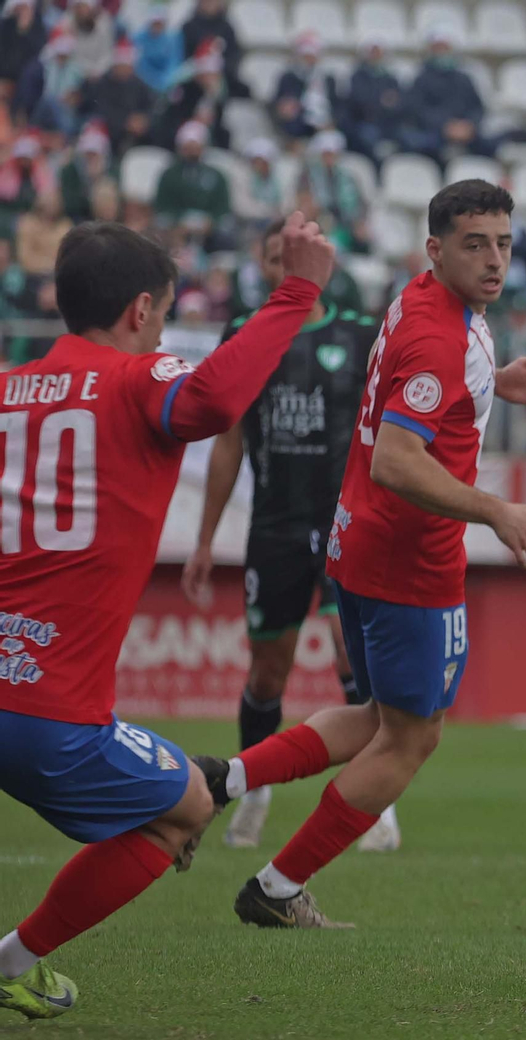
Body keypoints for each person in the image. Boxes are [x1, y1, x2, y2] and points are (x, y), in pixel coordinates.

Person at [0, 212, 335, 1021]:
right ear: (142, 311)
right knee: (184, 808)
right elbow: (215, 399)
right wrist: (297, 291)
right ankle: (12, 963)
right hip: (45, 710)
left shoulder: (10, 388)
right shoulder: (135, 378)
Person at [216, 180, 526, 928]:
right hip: (411, 558)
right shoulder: (440, 333)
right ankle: (276, 889)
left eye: (504, 243)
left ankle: (227, 779)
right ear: (436, 249)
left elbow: (413, 394)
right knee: (412, 737)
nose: (495, 260)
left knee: (376, 715)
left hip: (362, 543)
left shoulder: (424, 298)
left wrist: (491, 385)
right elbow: (398, 461)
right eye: (475, 245)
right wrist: (496, 510)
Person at [180, 219, 389, 852]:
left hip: (342, 524)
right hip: (273, 526)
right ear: (265, 267)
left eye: (294, 257)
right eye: (274, 258)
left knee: (349, 652)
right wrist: (205, 539)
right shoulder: (245, 335)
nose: (284, 267)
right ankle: (253, 789)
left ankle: (374, 800)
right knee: (269, 670)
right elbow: (229, 444)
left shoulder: (358, 335)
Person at [404, 26, 488, 163]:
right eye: (438, 47)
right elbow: (418, 110)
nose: (442, 51)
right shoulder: (421, 79)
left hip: (466, 133)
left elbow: (477, 107)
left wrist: (469, 125)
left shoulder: (464, 79)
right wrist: (446, 126)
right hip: (435, 133)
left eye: (445, 47)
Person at [153, 121, 232, 248]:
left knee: (226, 233)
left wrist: (211, 222)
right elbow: (162, 206)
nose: (192, 152)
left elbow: (223, 208)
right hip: (176, 225)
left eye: (196, 147)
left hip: (209, 227)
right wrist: (179, 224)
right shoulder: (169, 175)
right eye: (188, 148)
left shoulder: (216, 176)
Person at [299, 130, 369, 253]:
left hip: (346, 224)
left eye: (332, 154)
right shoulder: (307, 176)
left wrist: (360, 222)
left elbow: (361, 204)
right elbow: (303, 202)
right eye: (325, 154)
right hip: (319, 222)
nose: (329, 158)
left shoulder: (349, 177)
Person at [341, 36, 405, 162]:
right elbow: (359, 102)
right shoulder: (357, 76)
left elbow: (399, 103)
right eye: (373, 51)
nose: (376, 55)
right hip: (363, 124)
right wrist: (382, 101)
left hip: (388, 125)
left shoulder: (391, 78)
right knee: (369, 137)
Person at [87, 38, 158, 152]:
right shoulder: (104, 83)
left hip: (136, 130)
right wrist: (125, 122)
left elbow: (151, 105)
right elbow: (102, 109)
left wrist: (143, 119)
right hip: (113, 130)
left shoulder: (139, 84)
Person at [157, 40, 230, 149]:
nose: (212, 78)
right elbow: (170, 117)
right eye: (209, 74)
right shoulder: (184, 90)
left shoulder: (217, 94)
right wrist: (192, 121)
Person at [272, 30, 335, 140]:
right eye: (306, 56)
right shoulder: (288, 77)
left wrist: (332, 122)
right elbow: (280, 103)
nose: (309, 59)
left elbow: (335, 103)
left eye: (312, 56)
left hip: (323, 125)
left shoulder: (328, 78)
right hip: (296, 124)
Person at [180, 0, 245, 98]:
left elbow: (233, 56)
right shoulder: (188, 27)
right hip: (193, 80)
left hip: (221, 78)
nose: (210, 4)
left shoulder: (227, 28)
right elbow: (183, 55)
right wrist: (199, 73)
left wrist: (218, 73)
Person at [15, 189, 71, 275]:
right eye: (47, 203)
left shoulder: (66, 225)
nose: (51, 206)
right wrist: (48, 265)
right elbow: (24, 257)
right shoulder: (27, 223)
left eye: (54, 203)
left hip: (61, 273)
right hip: (33, 275)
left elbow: (70, 253)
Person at [133, 6, 182, 92]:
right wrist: (153, 80)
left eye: (160, 23)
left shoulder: (172, 39)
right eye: (155, 23)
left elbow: (174, 62)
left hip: (166, 84)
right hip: (142, 84)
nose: (157, 26)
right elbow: (139, 64)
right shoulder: (138, 39)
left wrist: (165, 80)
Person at [0, 0, 45, 90]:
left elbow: (34, 54)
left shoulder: (39, 28)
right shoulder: (6, 25)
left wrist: (23, 31)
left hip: (21, 79)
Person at [66, 0, 112, 80]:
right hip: (77, 73)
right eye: (78, 7)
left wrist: (98, 71)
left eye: (83, 6)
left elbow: (107, 54)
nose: (81, 10)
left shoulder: (104, 24)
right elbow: (72, 55)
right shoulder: (67, 26)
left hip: (100, 74)